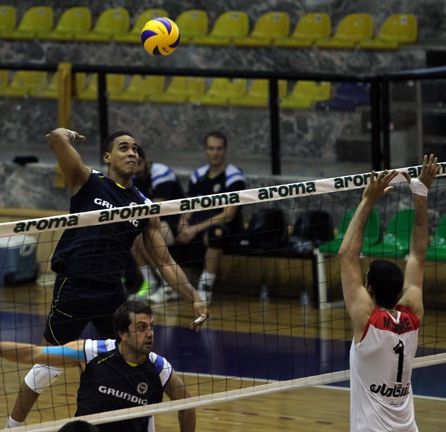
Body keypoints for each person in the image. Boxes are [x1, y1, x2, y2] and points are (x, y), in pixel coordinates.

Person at [6, 128, 207, 429]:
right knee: (46, 366)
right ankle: (13, 426)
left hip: (111, 293)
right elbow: (54, 139)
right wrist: (66, 134)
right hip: (75, 286)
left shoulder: (144, 206)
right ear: (108, 157)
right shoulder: (88, 181)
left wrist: (195, 297)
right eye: (124, 148)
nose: (132, 153)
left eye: (135, 149)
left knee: (131, 360)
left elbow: (165, 261)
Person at [338, 154, 438, 432]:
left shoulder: (367, 322)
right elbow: (418, 254)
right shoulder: (412, 313)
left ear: (369, 289)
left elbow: (346, 256)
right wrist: (421, 192)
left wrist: (367, 200)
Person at [0, 299, 196, 432]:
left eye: (151, 327)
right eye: (141, 328)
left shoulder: (159, 368)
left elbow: (187, 405)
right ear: (122, 334)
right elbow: (34, 354)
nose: (150, 333)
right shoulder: (91, 352)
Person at [153, 131, 246, 305]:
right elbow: (189, 206)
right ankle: (168, 285)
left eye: (219, 148)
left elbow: (228, 215)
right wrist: (183, 223)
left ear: (225, 150)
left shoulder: (234, 177)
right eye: (211, 148)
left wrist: (193, 229)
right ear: (205, 150)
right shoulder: (198, 175)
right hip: (194, 225)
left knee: (216, 234)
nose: (215, 153)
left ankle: (205, 287)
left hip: (222, 227)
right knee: (155, 232)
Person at [130, 145, 186, 298]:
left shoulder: (162, 173)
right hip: (152, 223)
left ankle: (168, 284)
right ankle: (150, 282)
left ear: (146, 159)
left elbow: (154, 211)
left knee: (144, 237)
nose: (137, 168)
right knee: (131, 237)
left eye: (139, 163)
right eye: (133, 164)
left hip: (176, 222)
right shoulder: (132, 178)